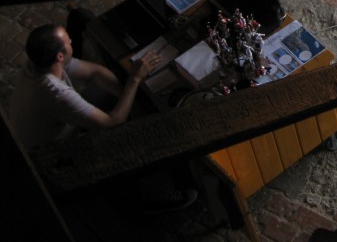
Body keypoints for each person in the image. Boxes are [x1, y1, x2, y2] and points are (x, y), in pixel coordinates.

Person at [8, 21, 199, 214]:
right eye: (68, 41)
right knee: (133, 141)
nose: (71, 40)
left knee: (107, 94)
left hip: (41, 134)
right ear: (59, 56)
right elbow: (112, 123)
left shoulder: (39, 62)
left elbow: (95, 72)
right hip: (50, 158)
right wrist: (134, 80)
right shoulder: (54, 93)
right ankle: (148, 200)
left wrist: (128, 97)